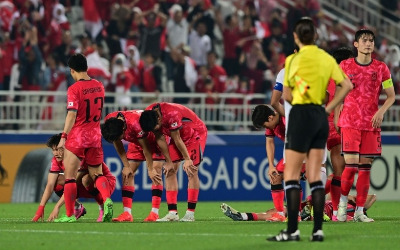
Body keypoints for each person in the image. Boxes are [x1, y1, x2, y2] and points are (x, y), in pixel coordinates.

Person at [268, 17, 352, 242]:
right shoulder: (326, 59)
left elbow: (286, 95)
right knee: (316, 176)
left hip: (299, 116)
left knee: (293, 177)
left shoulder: (293, 61)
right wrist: (329, 108)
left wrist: (301, 97)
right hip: (319, 117)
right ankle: (317, 230)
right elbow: (346, 86)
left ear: (296, 37)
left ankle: (293, 230)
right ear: (315, 36)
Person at [336, 29, 395, 222]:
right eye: (364, 40)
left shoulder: (381, 68)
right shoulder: (344, 65)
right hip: (350, 122)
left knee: (365, 168)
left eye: (371, 40)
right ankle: (343, 205)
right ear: (356, 44)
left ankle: (359, 211)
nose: (368, 43)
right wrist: (338, 117)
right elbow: (338, 93)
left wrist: (381, 112)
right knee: (351, 167)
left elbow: (391, 96)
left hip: (371, 124)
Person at [55, 53, 113, 223]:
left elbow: (71, 115)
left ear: (72, 70)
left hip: (79, 136)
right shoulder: (99, 86)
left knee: (70, 177)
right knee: (97, 173)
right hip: (95, 135)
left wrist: (64, 136)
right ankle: (107, 200)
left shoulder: (74, 89)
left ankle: (70, 215)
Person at [101, 110, 174, 222]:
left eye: (120, 137)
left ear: (124, 129)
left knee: (155, 170)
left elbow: (147, 149)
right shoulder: (111, 122)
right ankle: (127, 213)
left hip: (154, 140)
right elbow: (117, 142)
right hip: (136, 142)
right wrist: (126, 165)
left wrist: (150, 169)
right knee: (127, 174)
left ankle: (154, 213)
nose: (119, 139)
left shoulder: (135, 124)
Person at [139, 102, 207, 222]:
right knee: (169, 170)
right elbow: (160, 137)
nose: (156, 131)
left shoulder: (171, 114)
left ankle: (190, 213)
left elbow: (177, 138)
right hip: (178, 135)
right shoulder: (149, 115)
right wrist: (169, 161)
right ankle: (172, 213)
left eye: (156, 128)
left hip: (194, 133)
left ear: (159, 119)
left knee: (191, 170)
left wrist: (187, 159)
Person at [32, 134, 116, 222]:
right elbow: (50, 185)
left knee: (85, 179)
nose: (56, 153)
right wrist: (41, 207)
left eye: (58, 149)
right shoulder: (56, 160)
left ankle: (103, 208)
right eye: (53, 150)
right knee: (57, 182)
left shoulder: (78, 158)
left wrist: (57, 207)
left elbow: (73, 183)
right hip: (84, 186)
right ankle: (77, 208)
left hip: (105, 185)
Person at [327, 47, 355, 221]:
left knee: (318, 170)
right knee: (342, 169)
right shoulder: (343, 77)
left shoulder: (323, 75)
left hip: (317, 123)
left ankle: (302, 206)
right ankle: (337, 210)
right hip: (335, 125)